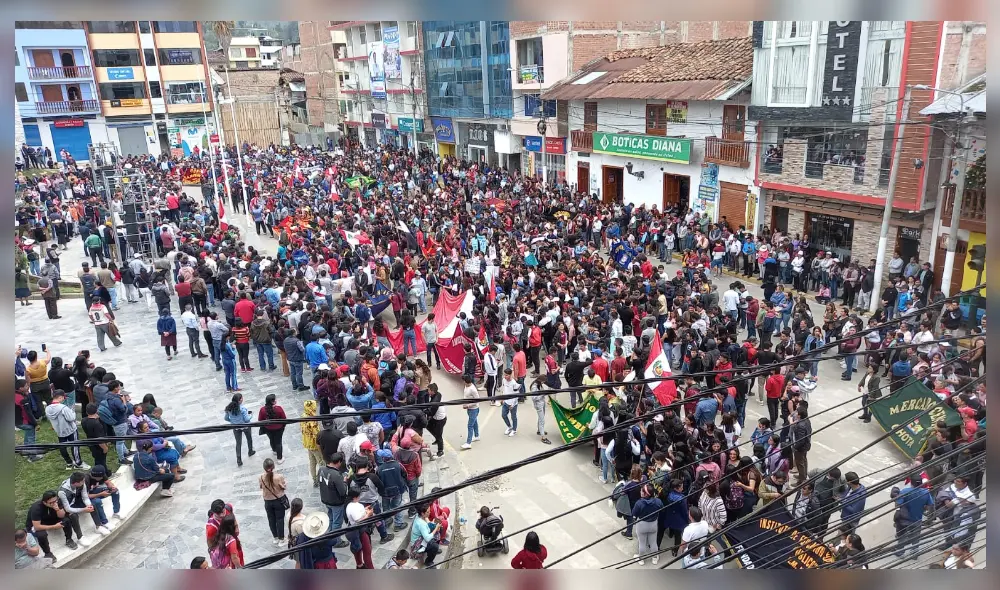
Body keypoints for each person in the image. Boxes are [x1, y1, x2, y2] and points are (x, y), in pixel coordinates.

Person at [46, 389, 89, 470]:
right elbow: (71, 418)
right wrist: (72, 412)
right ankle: (78, 463)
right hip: (70, 430)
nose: (64, 399)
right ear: (60, 397)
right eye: (63, 398)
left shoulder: (48, 408)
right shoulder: (63, 408)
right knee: (75, 446)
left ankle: (68, 463)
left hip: (59, 431)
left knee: (62, 446)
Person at [317, 452, 350, 548]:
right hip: (336, 502)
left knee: (331, 519)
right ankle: (336, 541)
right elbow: (343, 492)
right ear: (338, 462)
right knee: (337, 522)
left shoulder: (321, 469)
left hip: (326, 499)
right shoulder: (336, 475)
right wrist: (344, 481)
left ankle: (330, 536)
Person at [630, 483, 665, 565]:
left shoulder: (639, 503)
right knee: (653, 543)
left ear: (646, 493)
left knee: (642, 543)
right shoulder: (658, 501)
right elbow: (662, 510)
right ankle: (654, 558)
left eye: (642, 491)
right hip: (653, 524)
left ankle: (641, 559)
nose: (640, 492)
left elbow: (634, 514)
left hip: (642, 524)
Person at [259, 458, 288, 546]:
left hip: (267, 501)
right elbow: (283, 487)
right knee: (280, 519)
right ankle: (281, 539)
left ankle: (275, 537)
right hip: (278, 501)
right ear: (273, 467)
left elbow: (261, 487)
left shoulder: (261, 477)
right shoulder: (278, 477)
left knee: (271, 519)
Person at [223, 393, 255, 466]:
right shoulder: (242, 409)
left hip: (235, 427)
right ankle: (250, 451)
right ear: (240, 400)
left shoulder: (229, 408)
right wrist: (251, 415)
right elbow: (247, 420)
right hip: (245, 426)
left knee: (238, 443)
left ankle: (239, 460)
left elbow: (226, 418)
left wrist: (232, 421)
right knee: (249, 438)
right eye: (242, 398)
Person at [408, 502, 442, 568]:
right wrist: (436, 528)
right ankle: (428, 561)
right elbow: (427, 538)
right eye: (427, 512)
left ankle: (432, 551)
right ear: (422, 513)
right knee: (434, 546)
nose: (429, 513)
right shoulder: (421, 523)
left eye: (429, 511)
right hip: (417, 544)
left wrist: (434, 524)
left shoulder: (419, 516)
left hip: (422, 537)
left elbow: (427, 525)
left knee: (439, 529)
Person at [258, 393, 287, 463]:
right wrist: (283, 426)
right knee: (278, 442)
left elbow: (260, 420)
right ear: (273, 401)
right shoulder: (279, 409)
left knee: (271, 439)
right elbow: (284, 419)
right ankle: (279, 458)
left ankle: (274, 450)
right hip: (278, 428)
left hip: (268, 428)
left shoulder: (262, 410)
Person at [460, 375, 480, 450]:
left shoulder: (473, 389)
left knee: (470, 425)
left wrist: (468, 405)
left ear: (466, 382)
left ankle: (468, 443)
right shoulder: (466, 386)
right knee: (474, 422)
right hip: (470, 409)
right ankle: (477, 435)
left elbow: (477, 400)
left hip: (474, 409)